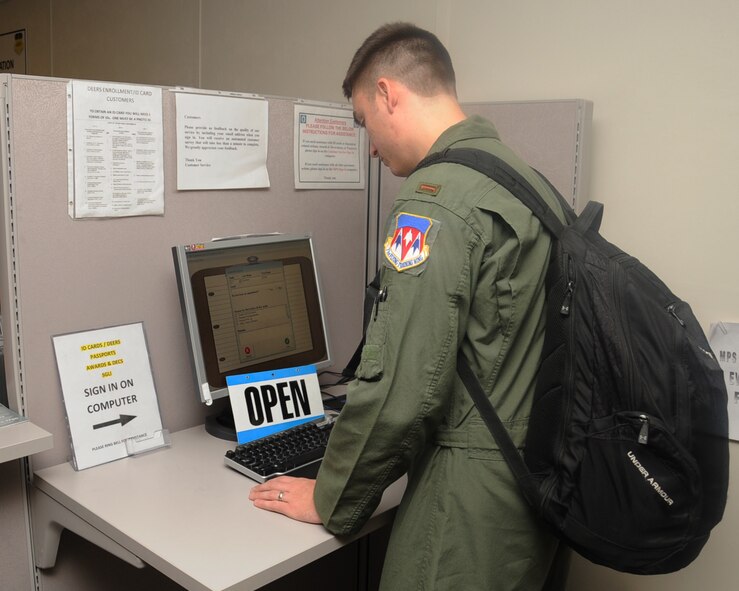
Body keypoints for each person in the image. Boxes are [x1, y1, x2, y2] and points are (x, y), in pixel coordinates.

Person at [250, 22, 568, 590]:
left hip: (465, 507)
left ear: (387, 93)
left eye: (363, 121)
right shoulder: (526, 181)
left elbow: (401, 386)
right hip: (534, 481)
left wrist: (331, 496)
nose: (369, 146)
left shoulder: (435, 201)